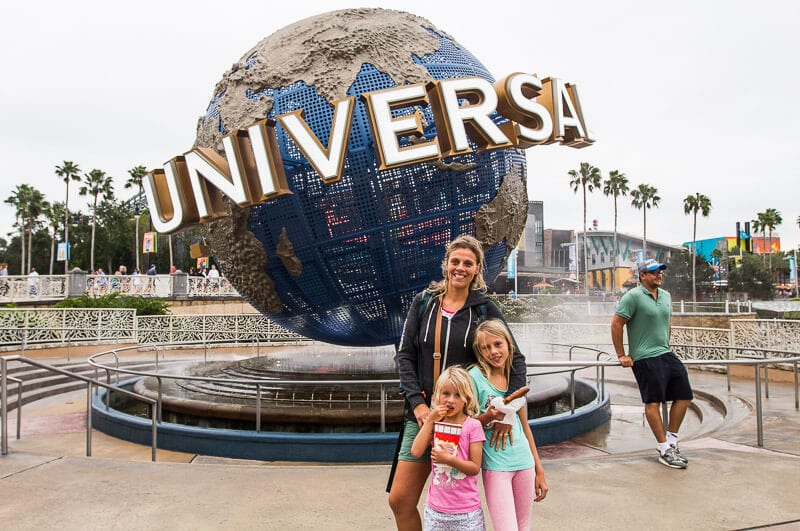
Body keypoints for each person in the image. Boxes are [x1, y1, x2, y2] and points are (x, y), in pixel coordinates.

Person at [389, 234, 527, 531]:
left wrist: (508, 409)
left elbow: (515, 358)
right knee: (400, 500)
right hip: (424, 414)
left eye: (468, 263)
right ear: (446, 265)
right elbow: (405, 356)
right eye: (455, 261)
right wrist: (417, 406)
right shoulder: (424, 302)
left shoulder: (483, 309)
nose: (460, 268)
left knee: (458, 501)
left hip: (465, 421)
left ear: (478, 269)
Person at [611, 259, 694, 469]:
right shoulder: (633, 297)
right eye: (654, 272)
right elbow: (617, 324)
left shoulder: (665, 296)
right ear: (643, 276)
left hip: (666, 353)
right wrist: (622, 354)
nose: (659, 275)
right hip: (644, 357)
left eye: (660, 272)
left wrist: (667, 343)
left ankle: (672, 441)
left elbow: (666, 324)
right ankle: (664, 448)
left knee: (684, 396)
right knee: (653, 402)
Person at [470, 319, 547, 531]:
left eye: (498, 344)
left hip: (524, 463)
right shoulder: (474, 378)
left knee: (524, 527)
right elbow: (465, 423)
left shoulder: (515, 377)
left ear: (508, 344)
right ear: (479, 351)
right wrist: (486, 418)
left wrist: (539, 469)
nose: (493, 351)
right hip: (497, 466)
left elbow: (525, 426)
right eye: (486, 347)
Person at [410, 366, 485, 530]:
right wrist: (429, 421)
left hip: (467, 512)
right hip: (435, 511)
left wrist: (449, 459)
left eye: (457, 395)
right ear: (437, 395)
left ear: (467, 397)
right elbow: (415, 451)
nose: (451, 400)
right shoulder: (435, 424)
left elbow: (474, 467)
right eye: (446, 394)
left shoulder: (473, 426)